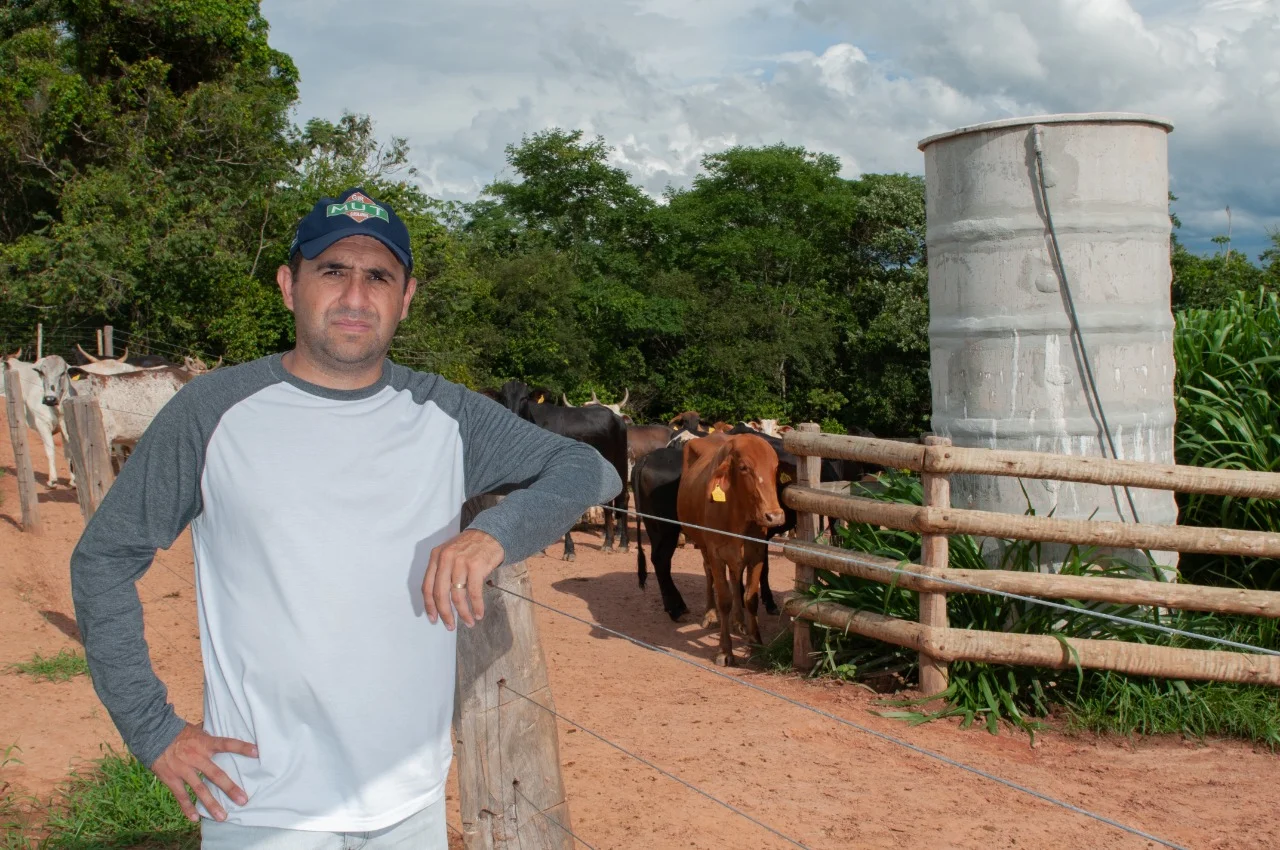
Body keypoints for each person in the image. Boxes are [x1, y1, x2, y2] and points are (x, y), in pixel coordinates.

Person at [69, 187, 622, 848]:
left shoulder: (444, 414)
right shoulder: (212, 412)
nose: (356, 295)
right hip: (262, 808)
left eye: (378, 277)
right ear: (288, 284)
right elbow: (103, 558)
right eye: (332, 271)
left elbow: (591, 470)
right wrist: (151, 728)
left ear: (406, 297)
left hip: (410, 805)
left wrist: (490, 535)